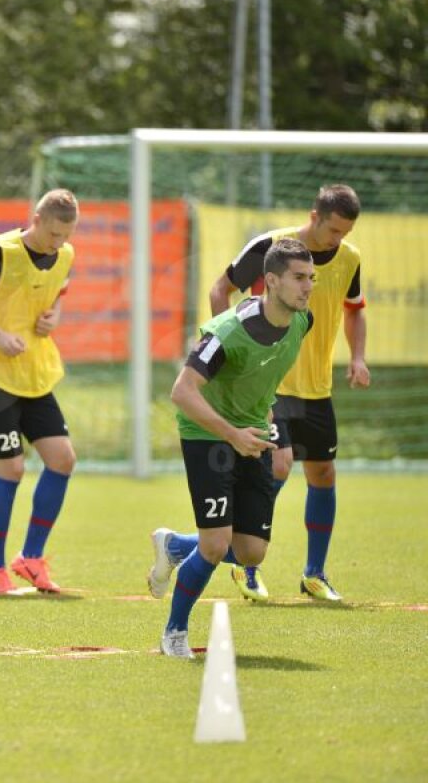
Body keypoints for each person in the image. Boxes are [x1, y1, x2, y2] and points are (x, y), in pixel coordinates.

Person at [149, 238, 314, 659]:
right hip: (208, 436)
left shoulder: (302, 322)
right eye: (298, 278)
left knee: (250, 552)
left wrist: (267, 425)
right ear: (271, 281)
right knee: (216, 545)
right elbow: (182, 392)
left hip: (255, 435)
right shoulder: (227, 331)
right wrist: (231, 433)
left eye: (310, 278)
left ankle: (174, 547)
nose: (307, 286)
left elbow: (263, 380)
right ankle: (174, 633)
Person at [208, 184, 368, 602]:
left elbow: (355, 310)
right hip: (269, 385)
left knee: (323, 475)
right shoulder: (270, 247)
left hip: (317, 388)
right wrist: (227, 354)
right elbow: (218, 290)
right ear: (315, 216)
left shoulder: (350, 259)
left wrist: (359, 357)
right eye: (333, 230)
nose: (339, 240)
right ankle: (246, 566)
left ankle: (314, 574)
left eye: (345, 233)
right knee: (278, 466)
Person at [0, 189, 79, 596]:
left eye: (66, 235)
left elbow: (56, 298)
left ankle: (31, 560)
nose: (59, 242)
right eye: (54, 233)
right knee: (12, 469)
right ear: (36, 220)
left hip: (35, 372)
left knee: (62, 459)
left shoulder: (66, 255)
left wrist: (51, 319)